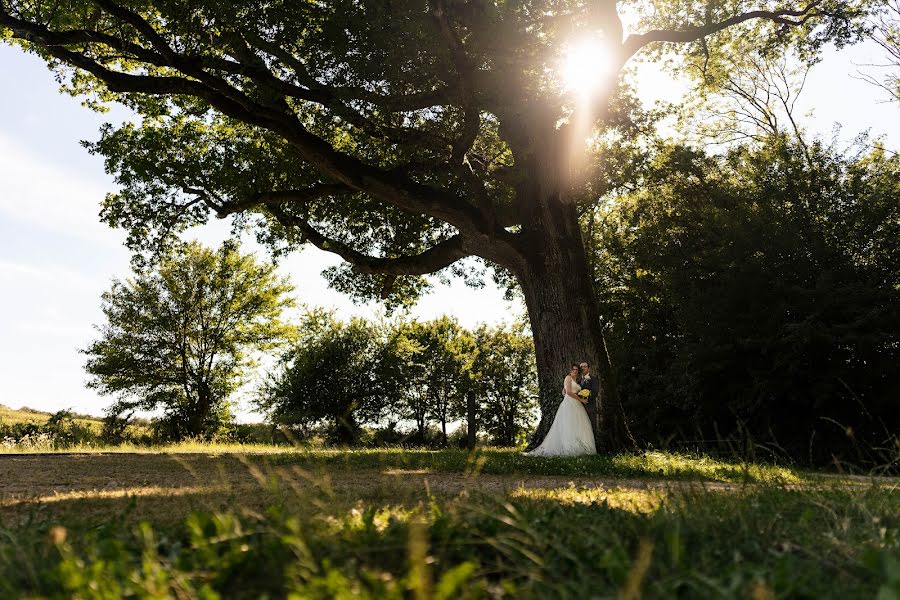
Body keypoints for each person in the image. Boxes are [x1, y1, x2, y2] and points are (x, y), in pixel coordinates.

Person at [524, 364, 597, 456]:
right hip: (570, 404)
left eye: (576, 370)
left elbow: (564, 392)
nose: (575, 371)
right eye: (573, 369)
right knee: (568, 425)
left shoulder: (577, 381)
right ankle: (568, 448)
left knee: (577, 425)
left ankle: (580, 448)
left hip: (577, 404)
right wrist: (581, 399)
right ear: (570, 370)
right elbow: (569, 392)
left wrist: (581, 395)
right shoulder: (568, 378)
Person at [579, 361, 599, 439]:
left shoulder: (593, 379)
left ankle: (595, 445)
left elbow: (594, 392)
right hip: (579, 408)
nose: (583, 368)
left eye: (585, 366)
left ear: (589, 368)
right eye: (581, 367)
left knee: (592, 425)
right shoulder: (578, 380)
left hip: (590, 407)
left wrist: (586, 397)